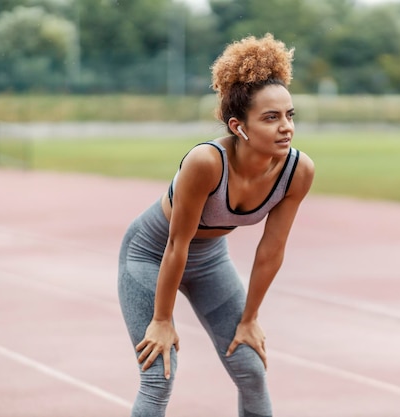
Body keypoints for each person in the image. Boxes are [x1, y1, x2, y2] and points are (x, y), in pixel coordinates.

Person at [117, 33, 315, 417]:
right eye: (271, 118)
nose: (286, 127)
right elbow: (176, 245)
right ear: (239, 126)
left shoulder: (297, 170)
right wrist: (161, 320)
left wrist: (250, 319)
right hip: (152, 255)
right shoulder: (206, 162)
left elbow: (271, 251)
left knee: (250, 367)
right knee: (159, 374)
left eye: (289, 115)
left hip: (209, 260)